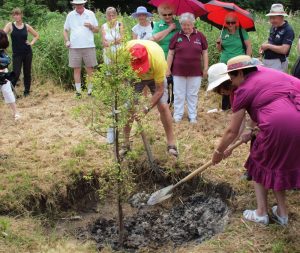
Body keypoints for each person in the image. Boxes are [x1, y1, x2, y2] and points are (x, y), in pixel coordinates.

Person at [211, 55, 300, 226]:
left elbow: (231, 131)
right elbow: (263, 103)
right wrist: (250, 129)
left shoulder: (243, 89)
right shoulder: (266, 72)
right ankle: (282, 214)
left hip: (279, 124)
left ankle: (261, 213)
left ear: (241, 73)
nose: (231, 82)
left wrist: (218, 152)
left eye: (232, 77)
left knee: (257, 163)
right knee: (276, 166)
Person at [125, 40, 178, 157]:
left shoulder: (157, 59)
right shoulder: (124, 52)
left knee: (163, 106)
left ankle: (171, 145)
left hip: (155, 77)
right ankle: (125, 144)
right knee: (129, 108)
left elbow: (159, 90)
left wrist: (145, 108)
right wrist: (128, 92)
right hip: (134, 77)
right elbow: (122, 74)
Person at [167, 12, 208, 123]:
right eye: (184, 24)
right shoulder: (176, 36)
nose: (186, 27)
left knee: (192, 94)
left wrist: (205, 68)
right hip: (178, 71)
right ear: (181, 24)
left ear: (193, 24)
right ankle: (177, 116)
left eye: (188, 24)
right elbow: (170, 53)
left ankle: (192, 116)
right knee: (178, 94)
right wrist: (168, 69)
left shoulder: (200, 36)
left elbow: (204, 53)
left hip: (195, 72)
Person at [216, 12, 252, 111]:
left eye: (233, 22)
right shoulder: (223, 32)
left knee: (238, 84)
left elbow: (248, 46)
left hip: (238, 64)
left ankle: (238, 106)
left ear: (236, 22)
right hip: (225, 63)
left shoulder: (241, 31)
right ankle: (226, 108)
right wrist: (218, 43)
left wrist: (248, 60)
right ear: (225, 23)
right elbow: (219, 49)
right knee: (226, 84)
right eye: (228, 22)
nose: (230, 24)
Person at [63, 0, 99, 97]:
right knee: (76, 69)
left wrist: (91, 26)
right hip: (74, 46)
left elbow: (97, 30)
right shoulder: (70, 15)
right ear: (74, 5)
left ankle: (90, 91)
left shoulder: (90, 13)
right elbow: (65, 30)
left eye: (80, 4)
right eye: (77, 4)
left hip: (89, 45)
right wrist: (67, 41)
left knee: (90, 69)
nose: (78, 6)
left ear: (84, 4)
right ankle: (78, 92)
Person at [3, 8, 39, 97]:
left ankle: (26, 92)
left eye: (18, 14)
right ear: (13, 16)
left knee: (27, 72)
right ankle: (10, 92)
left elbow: (36, 35)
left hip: (27, 52)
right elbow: (2, 35)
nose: (16, 16)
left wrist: (31, 43)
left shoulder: (26, 26)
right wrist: (5, 43)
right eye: (14, 15)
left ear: (21, 15)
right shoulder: (10, 25)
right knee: (16, 73)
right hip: (17, 54)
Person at [151, 3, 181, 106]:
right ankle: (165, 103)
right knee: (164, 82)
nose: (167, 16)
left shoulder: (179, 24)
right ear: (160, 15)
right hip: (163, 56)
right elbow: (155, 39)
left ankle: (175, 103)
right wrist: (169, 29)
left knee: (177, 82)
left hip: (178, 58)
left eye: (170, 14)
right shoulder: (157, 25)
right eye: (164, 15)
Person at [260, 3, 295, 72]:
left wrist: (268, 46)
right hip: (267, 61)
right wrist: (263, 46)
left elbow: (284, 50)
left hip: (279, 62)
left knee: (276, 82)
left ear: (281, 17)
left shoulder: (288, 30)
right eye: (270, 18)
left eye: (274, 18)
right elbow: (271, 40)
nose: (271, 21)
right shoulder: (274, 27)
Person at [0, 30, 20, 120]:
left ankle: (16, 112)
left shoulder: (2, 51)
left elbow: (6, 61)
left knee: (8, 93)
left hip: (3, 74)